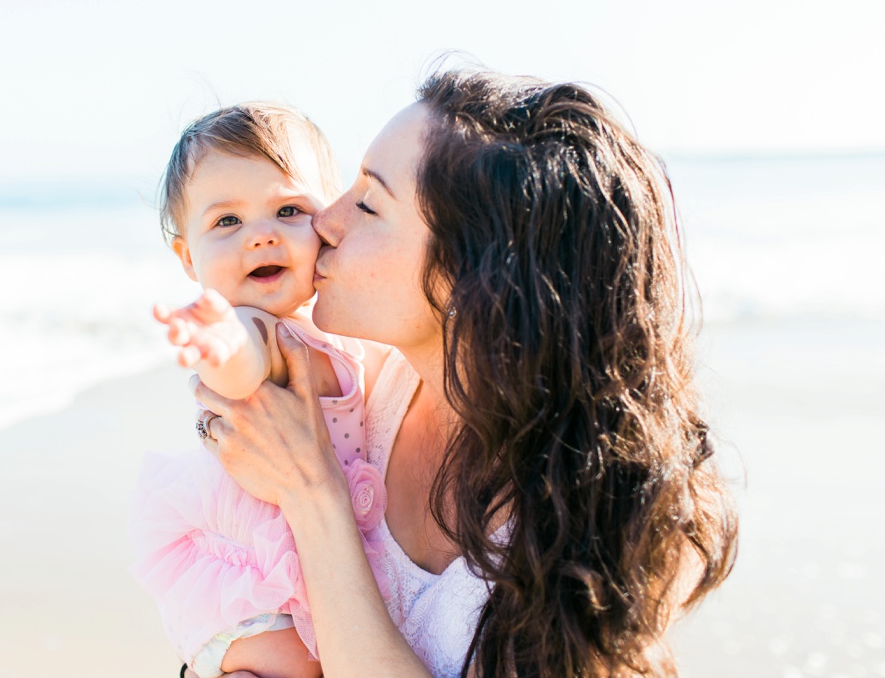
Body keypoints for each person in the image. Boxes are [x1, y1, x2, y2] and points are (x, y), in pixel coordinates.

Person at [187, 69, 739, 678]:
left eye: (368, 204)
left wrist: (313, 494)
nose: (324, 222)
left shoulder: (580, 532)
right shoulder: (375, 389)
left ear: (471, 275)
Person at [129, 103, 393, 678]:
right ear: (187, 256)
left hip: (298, 576)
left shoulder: (334, 327)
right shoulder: (258, 326)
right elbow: (246, 366)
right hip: (262, 589)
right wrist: (220, 344)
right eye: (228, 222)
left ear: (328, 224)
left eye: (289, 210)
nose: (262, 236)